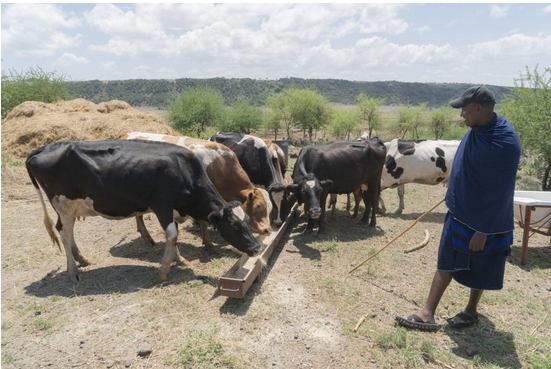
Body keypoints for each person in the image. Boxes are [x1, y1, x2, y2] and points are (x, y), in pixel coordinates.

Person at [395, 85, 521, 331]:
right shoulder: (476, 131)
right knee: (447, 259)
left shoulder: (505, 142)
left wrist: (484, 228)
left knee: (483, 263)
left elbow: (501, 189)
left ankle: (471, 310)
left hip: (486, 218)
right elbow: (465, 164)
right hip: (460, 208)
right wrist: (454, 187)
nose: (461, 113)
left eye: (464, 108)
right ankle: (427, 313)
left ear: (478, 107)